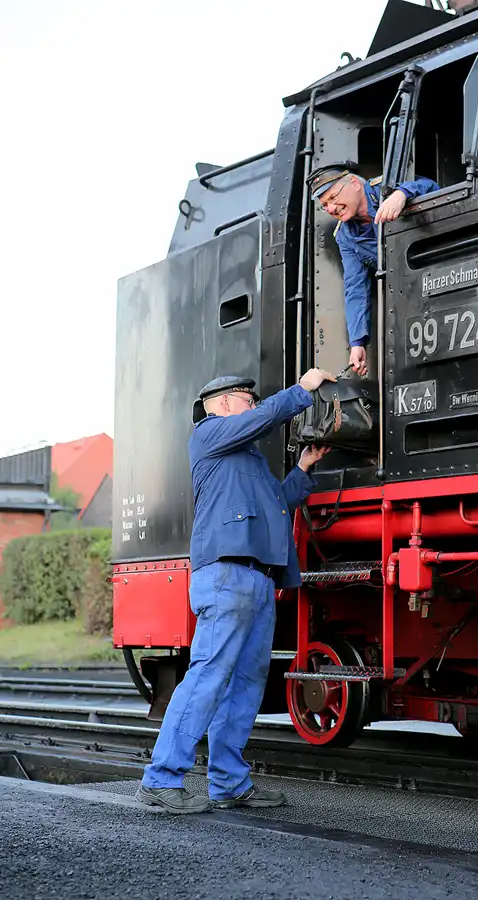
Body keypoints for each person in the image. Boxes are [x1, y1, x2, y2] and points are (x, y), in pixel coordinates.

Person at [136, 368, 334, 814]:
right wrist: (301, 391)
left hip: (258, 580)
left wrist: (303, 469)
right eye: (249, 398)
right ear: (225, 404)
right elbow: (261, 419)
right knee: (208, 676)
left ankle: (228, 782)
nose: (254, 406)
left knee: (244, 685)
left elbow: (278, 505)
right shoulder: (208, 435)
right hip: (227, 576)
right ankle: (161, 778)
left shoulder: (249, 461)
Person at [307, 162, 439, 376]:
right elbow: (355, 288)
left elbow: (433, 188)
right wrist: (357, 341)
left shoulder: (386, 188)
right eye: (324, 205)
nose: (330, 208)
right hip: (414, 297)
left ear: (353, 183)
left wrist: (402, 194)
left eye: (332, 198)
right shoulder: (345, 236)